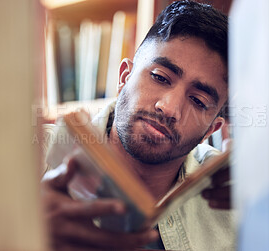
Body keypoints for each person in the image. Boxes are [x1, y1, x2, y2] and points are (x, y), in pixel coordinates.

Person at [41, 1, 235, 250]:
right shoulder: (29, 160)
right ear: (124, 77)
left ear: (211, 130)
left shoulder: (230, 195)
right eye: (159, 77)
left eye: (198, 100)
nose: (169, 108)